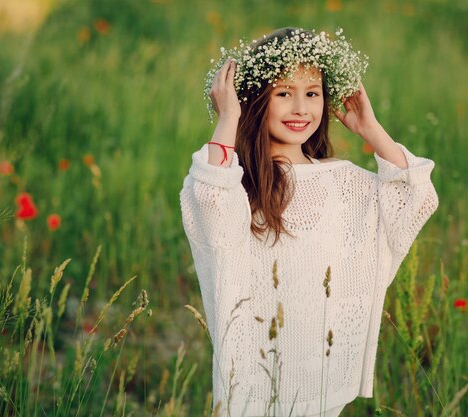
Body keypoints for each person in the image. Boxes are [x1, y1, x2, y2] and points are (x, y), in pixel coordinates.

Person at [180, 27, 439, 417]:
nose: (301, 108)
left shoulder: (342, 180)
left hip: (321, 377)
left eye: (312, 93)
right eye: (284, 93)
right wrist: (229, 118)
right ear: (255, 98)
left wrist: (371, 129)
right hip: (254, 380)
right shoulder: (239, 182)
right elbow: (208, 195)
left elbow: (414, 196)